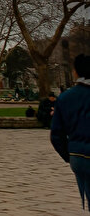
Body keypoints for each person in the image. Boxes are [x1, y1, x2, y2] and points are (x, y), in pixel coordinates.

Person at [51, 54, 90, 211]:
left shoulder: (65, 97)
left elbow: (56, 135)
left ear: (76, 72)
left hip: (78, 156)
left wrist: (70, 154)